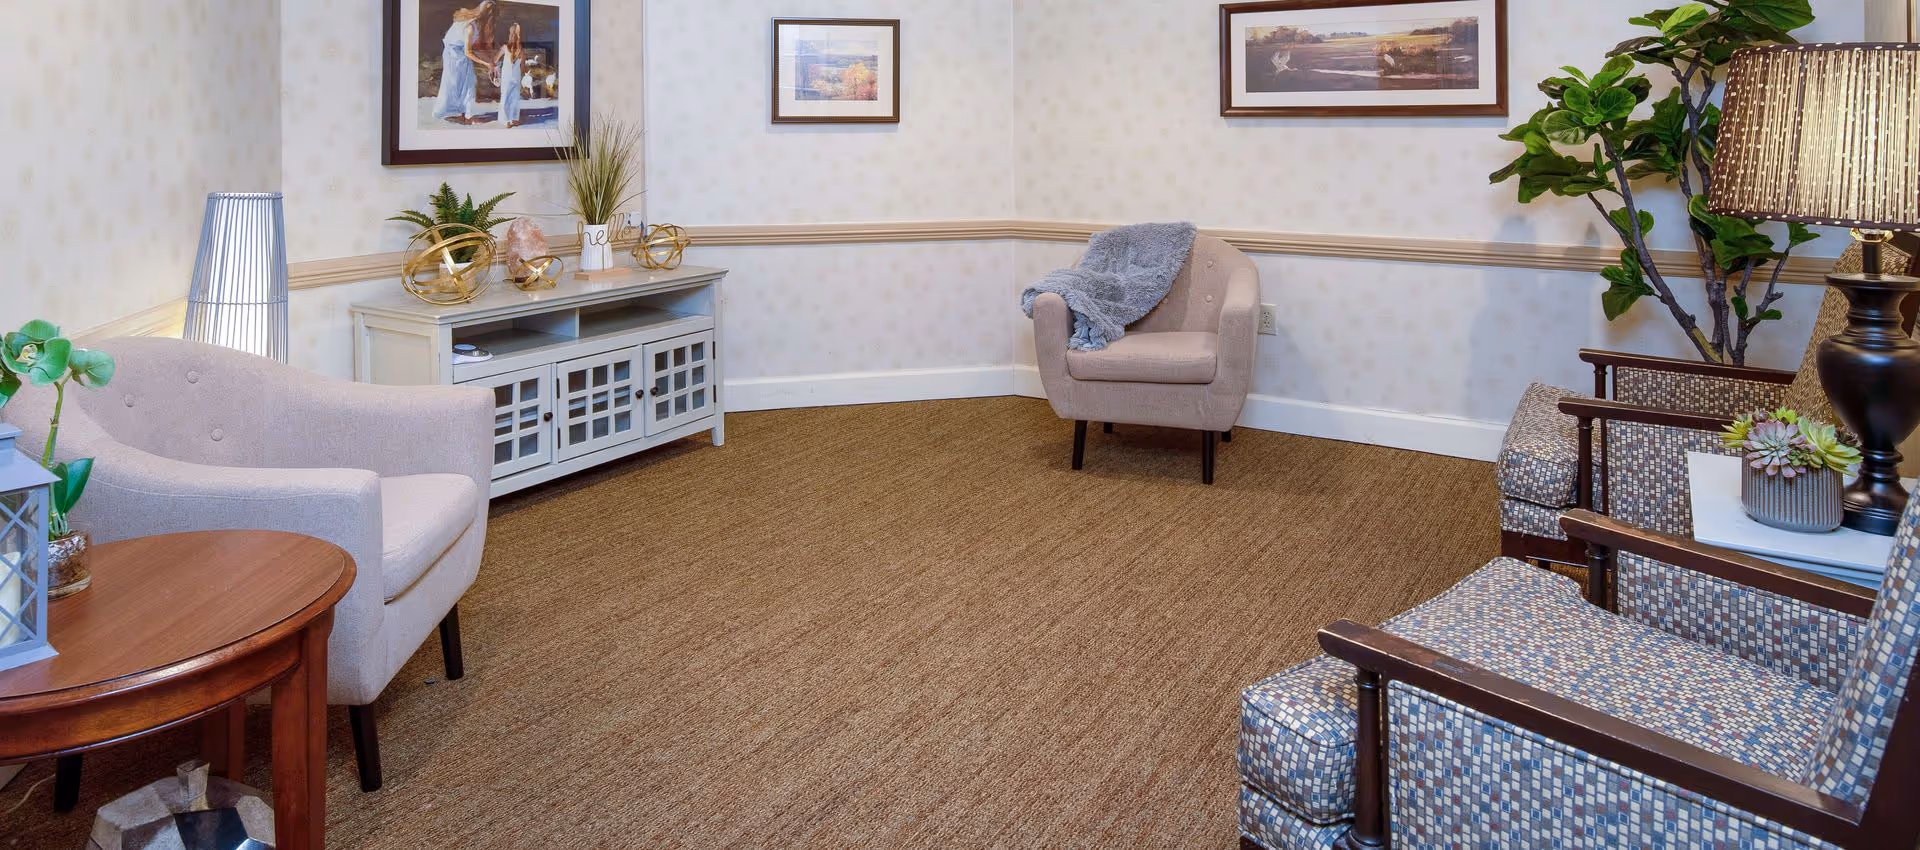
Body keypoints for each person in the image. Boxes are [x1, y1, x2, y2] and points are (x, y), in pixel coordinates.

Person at [432, 1, 497, 125]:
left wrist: (490, 61)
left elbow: (474, 48)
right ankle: (467, 116)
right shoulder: (470, 27)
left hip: (453, 55)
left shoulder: (466, 19)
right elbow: (468, 52)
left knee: (462, 83)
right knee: (465, 84)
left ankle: (464, 114)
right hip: (456, 57)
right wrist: (487, 64)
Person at [495, 23, 526, 127]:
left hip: (512, 77)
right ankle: (509, 120)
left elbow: (494, 60)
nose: (512, 36)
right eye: (512, 34)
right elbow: (522, 66)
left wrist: (496, 67)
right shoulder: (515, 49)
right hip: (512, 77)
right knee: (511, 98)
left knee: (511, 98)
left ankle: (510, 119)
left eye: (513, 34)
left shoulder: (516, 49)